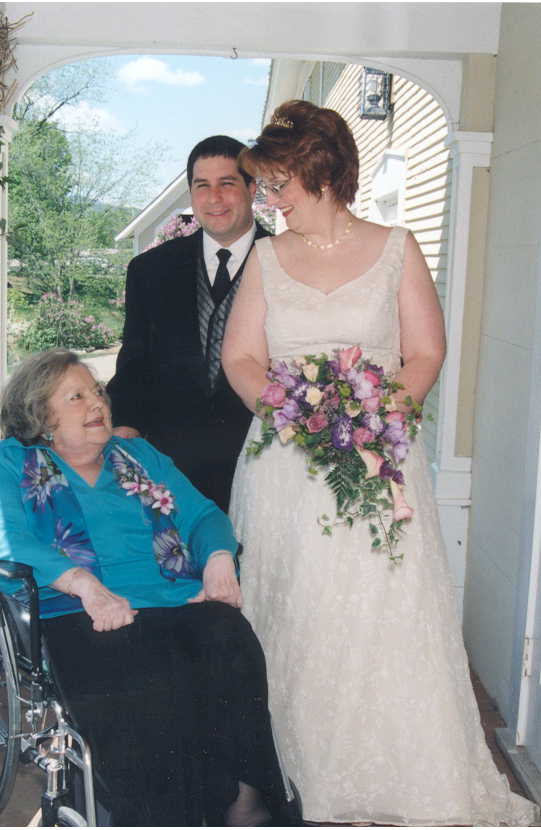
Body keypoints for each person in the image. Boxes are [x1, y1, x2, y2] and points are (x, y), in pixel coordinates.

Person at [222, 99, 539, 826]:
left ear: (321, 173)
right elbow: (240, 358)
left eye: (277, 185)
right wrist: (291, 414)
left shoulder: (397, 247)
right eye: (264, 186)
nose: (267, 201)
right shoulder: (266, 258)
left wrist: (369, 420)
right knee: (299, 616)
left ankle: (401, 777)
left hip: (376, 465)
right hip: (286, 470)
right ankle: (301, 775)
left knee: (382, 615)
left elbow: (425, 351)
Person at [0, 348, 295, 827]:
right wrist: (84, 585)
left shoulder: (138, 455)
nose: (97, 403)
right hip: (80, 611)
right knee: (138, 668)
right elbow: (9, 537)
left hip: (174, 597)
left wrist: (219, 559)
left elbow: (201, 515)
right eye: (76, 397)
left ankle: (245, 799)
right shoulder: (12, 462)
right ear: (41, 416)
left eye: (97, 392)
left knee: (228, 636)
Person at [106, 135, 271, 512]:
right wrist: (124, 432)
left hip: (261, 466)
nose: (214, 198)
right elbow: (134, 366)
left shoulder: (287, 262)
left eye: (227, 183)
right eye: (202, 186)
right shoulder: (150, 270)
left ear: (251, 189)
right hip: (173, 471)